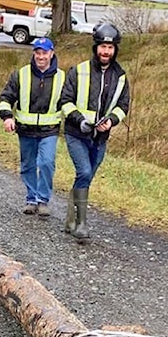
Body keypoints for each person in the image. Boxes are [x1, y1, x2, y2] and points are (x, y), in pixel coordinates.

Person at [59, 22, 130, 239]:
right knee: (84, 173)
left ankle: (70, 219)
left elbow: (123, 105)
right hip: (76, 134)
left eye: (110, 48)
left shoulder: (121, 76)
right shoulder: (78, 71)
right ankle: (81, 225)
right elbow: (65, 101)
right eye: (102, 47)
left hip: (100, 138)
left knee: (85, 179)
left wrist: (112, 121)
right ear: (96, 47)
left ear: (115, 49)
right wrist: (79, 120)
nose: (105, 51)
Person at [0, 37, 65, 217]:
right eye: (37, 52)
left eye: (44, 53)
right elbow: (5, 98)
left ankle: (43, 200)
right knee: (27, 165)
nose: (40, 56)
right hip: (25, 130)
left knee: (46, 163)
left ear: (52, 53)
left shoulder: (63, 77)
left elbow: (69, 102)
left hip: (49, 129)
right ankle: (31, 199)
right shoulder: (21, 74)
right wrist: (7, 117)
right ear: (34, 53)